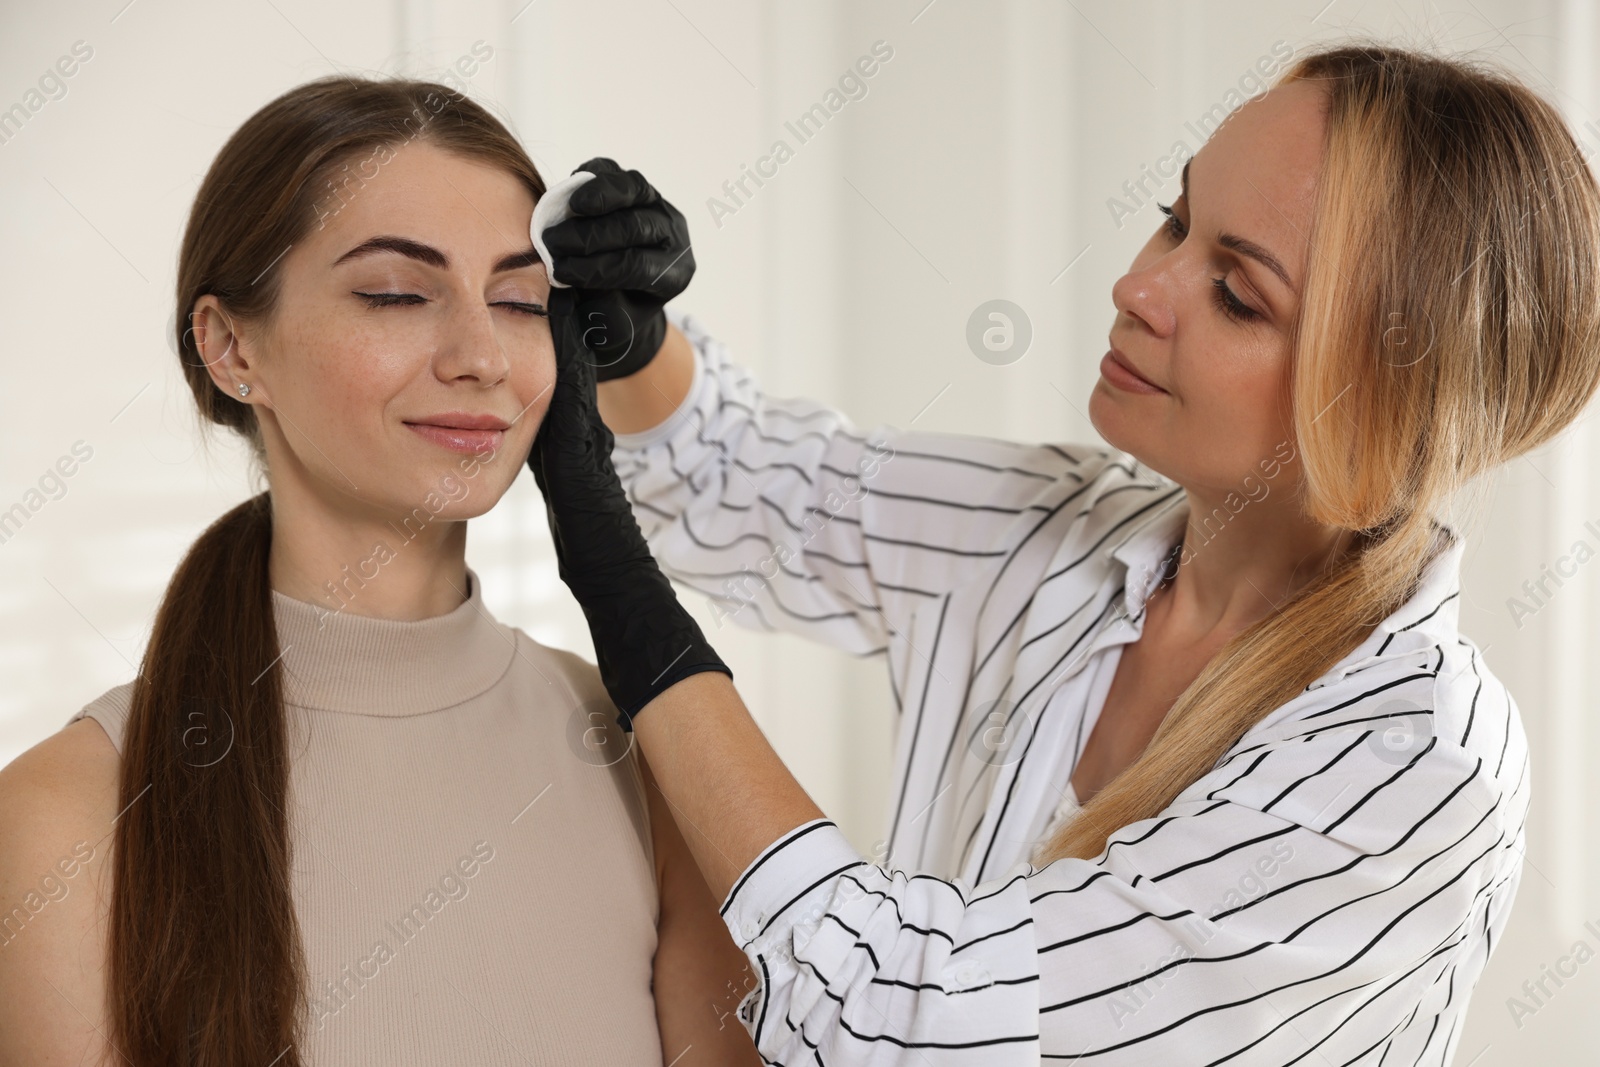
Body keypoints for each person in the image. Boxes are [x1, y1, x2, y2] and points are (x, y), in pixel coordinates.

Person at [527, 42, 1600, 1064]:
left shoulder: (1411, 762)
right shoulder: (1057, 534)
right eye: (1174, 219)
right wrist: (640, 340)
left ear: (1383, 403)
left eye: (1237, 292)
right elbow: (756, 485)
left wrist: (622, 597)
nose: (1142, 286)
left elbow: (905, 1021)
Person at [0, 77, 759, 1065]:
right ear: (232, 347)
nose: (482, 354)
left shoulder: (655, 758)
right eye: (397, 292)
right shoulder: (64, 814)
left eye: (520, 300)